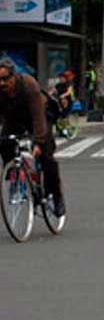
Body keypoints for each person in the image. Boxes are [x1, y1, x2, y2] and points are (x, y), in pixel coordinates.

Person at [0, 60, 66, 216]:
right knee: (4, 144)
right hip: (14, 119)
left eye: (5, 78)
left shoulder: (29, 85)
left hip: (40, 117)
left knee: (46, 156)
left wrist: (38, 142)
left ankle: (56, 196)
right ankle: (15, 176)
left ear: (14, 76)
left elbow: (38, 117)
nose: (1, 83)